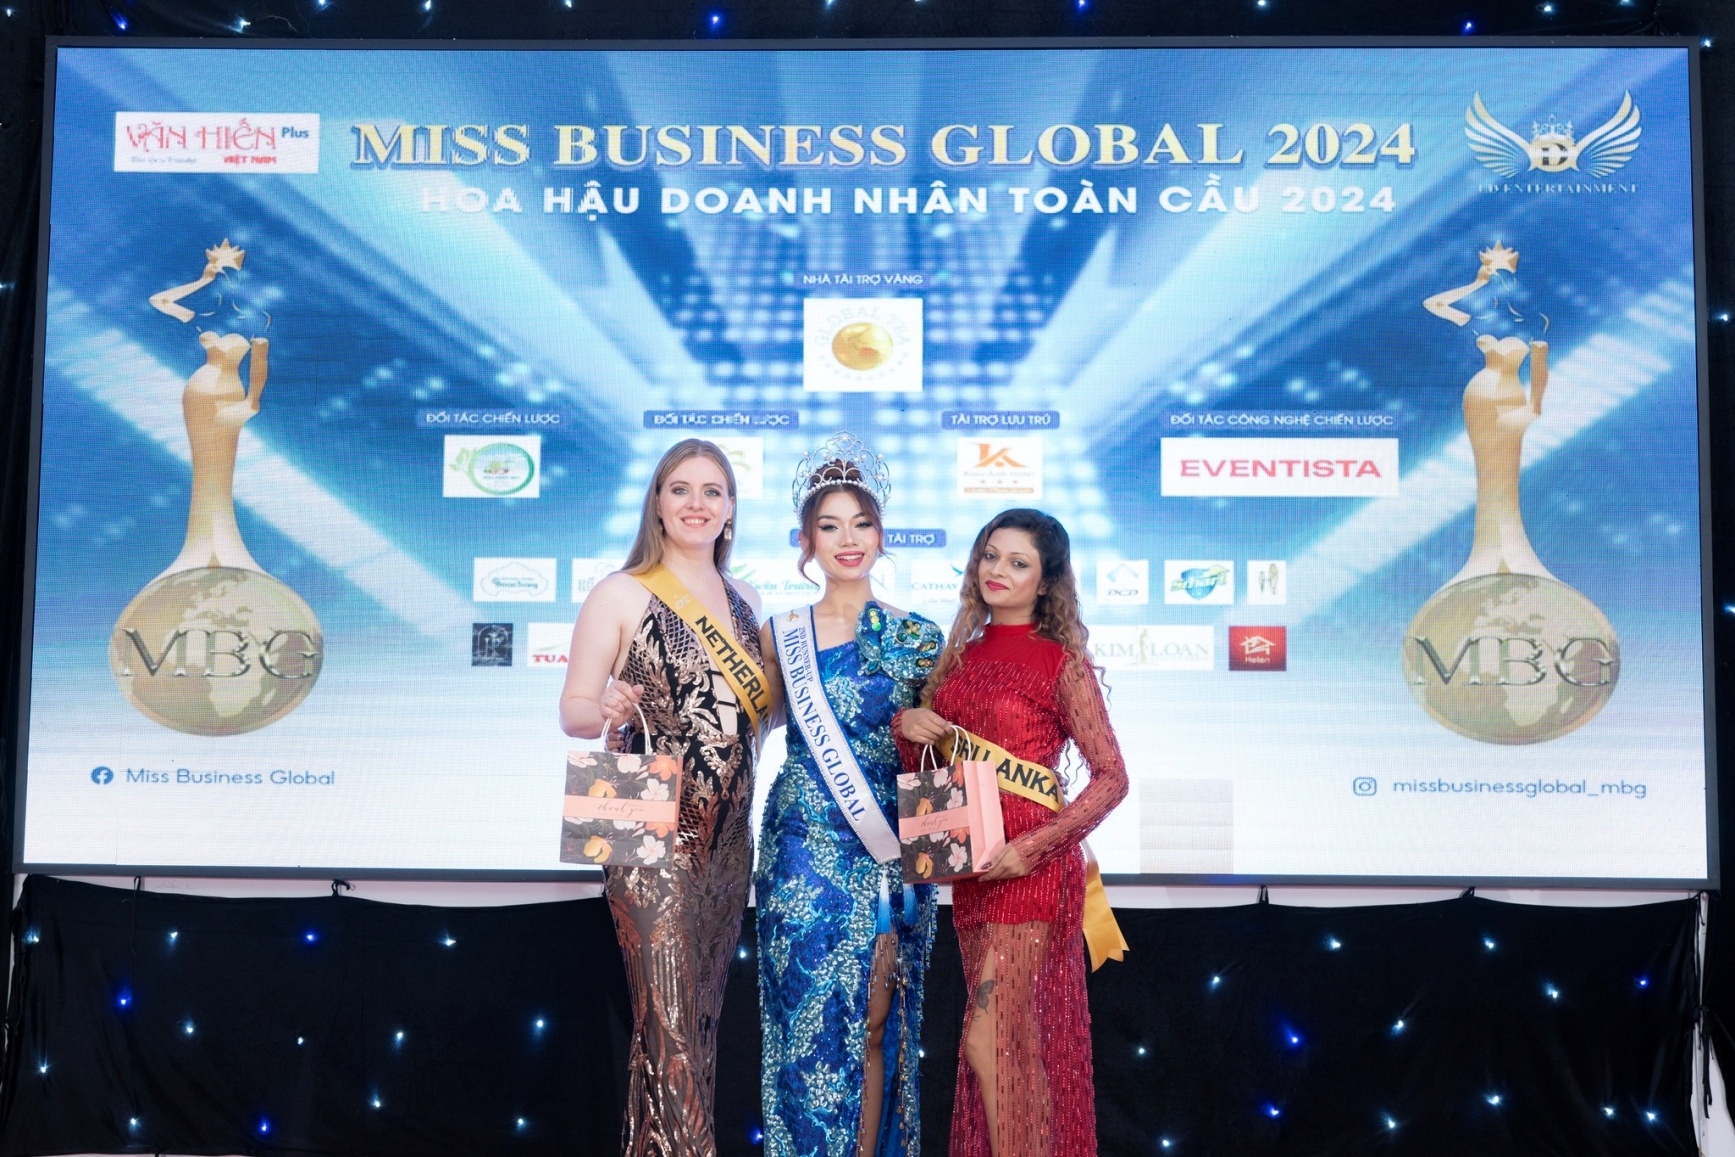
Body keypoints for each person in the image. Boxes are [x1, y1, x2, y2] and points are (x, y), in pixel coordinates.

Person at [895, 509, 1128, 1157]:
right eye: (990, 556)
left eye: (1018, 562)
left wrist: (1032, 847)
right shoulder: (958, 659)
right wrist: (908, 731)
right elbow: (934, 772)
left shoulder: (1060, 662)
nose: (997, 570)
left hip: (1031, 873)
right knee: (1011, 1046)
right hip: (975, 873)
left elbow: (1112, 777)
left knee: (989, 1039)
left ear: (1047, 581)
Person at [560, 438, 768, 1157]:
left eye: (712, 491)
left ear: (731, 508)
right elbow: (574, 710)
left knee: (696, 1022)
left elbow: (753, 718)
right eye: (680, 489)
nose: (696, 504)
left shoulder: (747, 601)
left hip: (727, 838)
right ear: (656, 502)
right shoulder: (621, 591)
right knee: (668, 1022)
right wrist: (604, 705)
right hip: (645, 828)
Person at [755, 434, 942, 1157]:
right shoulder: (781, 634)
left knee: (875, 1022)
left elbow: (944, 755)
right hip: (800, 846)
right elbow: (748, 729)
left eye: (861, 523)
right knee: (805, 1023)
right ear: (806, 541)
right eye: (829, 526)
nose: (847, 539)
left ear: (881, 533)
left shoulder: (918, 637)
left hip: (886, 849)